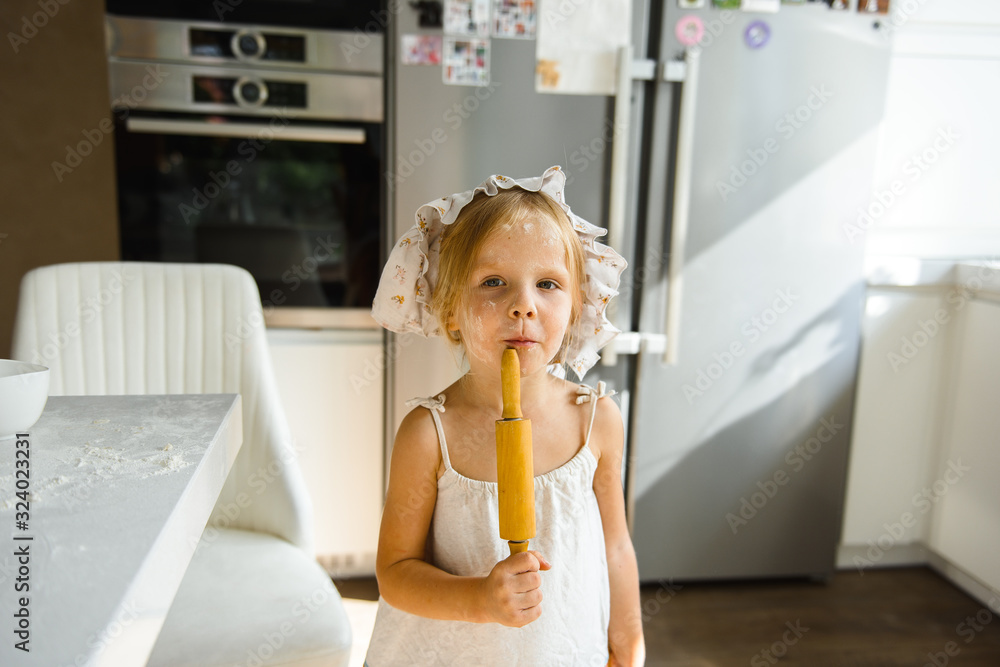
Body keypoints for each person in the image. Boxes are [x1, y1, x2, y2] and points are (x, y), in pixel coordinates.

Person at [366, 166, 645, 666]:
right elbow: (395, 571)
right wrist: (479, 599)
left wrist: (627, 644)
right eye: (493, 282)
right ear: (450, 308)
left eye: (548, 283)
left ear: (577, 305)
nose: (523, 305)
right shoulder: (430, 434)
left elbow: (616, 547)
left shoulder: (596, 420)